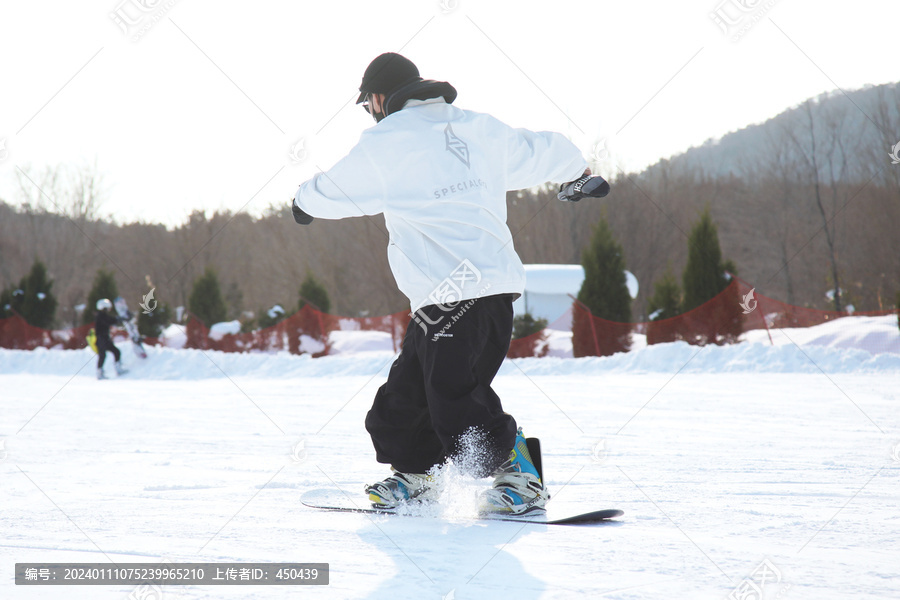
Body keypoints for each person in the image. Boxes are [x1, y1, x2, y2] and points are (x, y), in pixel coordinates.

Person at [292, 52, 591, 515]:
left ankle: (522, 476)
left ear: (377, 98)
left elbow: (336, 188)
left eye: (368, 105)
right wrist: (578, 173)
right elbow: (542, 150)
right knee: (404, 396)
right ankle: (417, 475)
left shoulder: (387, 142)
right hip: (463, 295)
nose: (370, 113)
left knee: (455, 399)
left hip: (458, 294)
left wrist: (304, 202)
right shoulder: (479, 128)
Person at [94, 298, 126, 380]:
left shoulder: (102, 315)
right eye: (107, 308)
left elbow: (109, 320)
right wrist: (118, 319)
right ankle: (99, 373)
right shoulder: (100, 316)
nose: (109, 309)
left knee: (116, 351)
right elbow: (108, 321)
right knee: (102, 355)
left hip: (105, 338)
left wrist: (117, 319)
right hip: (101, 339)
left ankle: (118, 369)